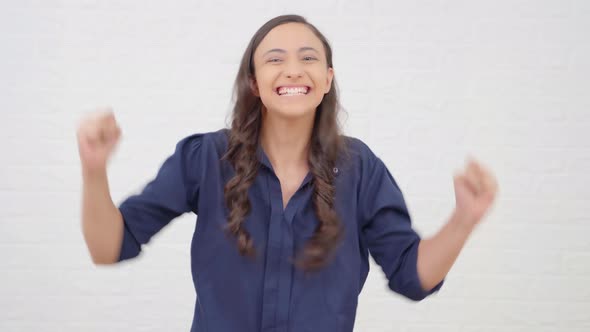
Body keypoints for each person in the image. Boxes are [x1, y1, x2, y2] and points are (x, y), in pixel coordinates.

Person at [77, 14, 498, 332]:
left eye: (309, 58)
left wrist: (463, 220)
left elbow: (413, 276)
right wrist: (94, 170)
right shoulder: (206, 158)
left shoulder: (360, 169)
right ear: (255, 83)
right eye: (275, 59)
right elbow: (108, 247)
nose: (294, 69)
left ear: (327, 79)